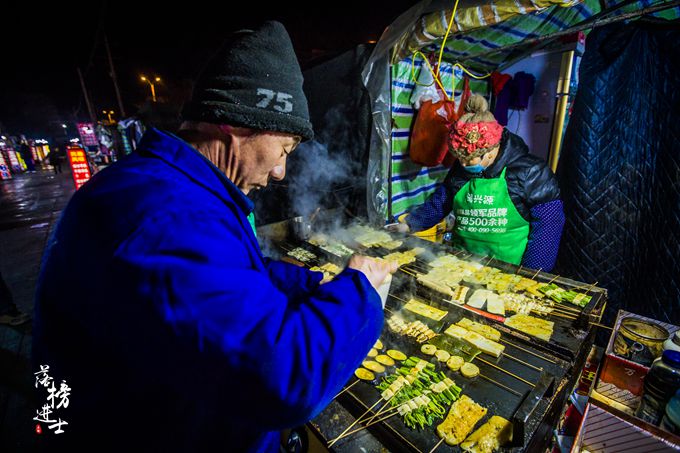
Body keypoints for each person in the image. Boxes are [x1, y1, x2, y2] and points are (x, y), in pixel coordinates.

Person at [33, 21, 395, 451]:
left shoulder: (169, 187)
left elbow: (219, 275)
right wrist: (357, 294)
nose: (280, 172)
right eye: (284, 150)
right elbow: (282, 380)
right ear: (239, 125)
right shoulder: (165, 216)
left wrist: (308, 283)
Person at [391, 95, 565, 271]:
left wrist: (531, 273)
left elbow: (548, 226)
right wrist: (409, 224)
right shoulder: (462, 167)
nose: (463, 165)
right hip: (462, 262)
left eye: (469, 161)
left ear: (490, 151)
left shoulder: (531, 172)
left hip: (509, 268)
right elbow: (440, 203)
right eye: (460, 160)